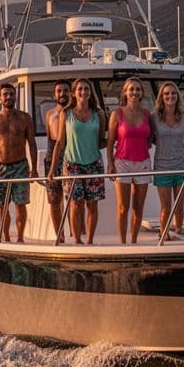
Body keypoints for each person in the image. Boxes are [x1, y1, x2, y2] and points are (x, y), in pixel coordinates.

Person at [47, 78, 106, 244]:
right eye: (80, 89)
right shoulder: (66, 113)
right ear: (74, 92)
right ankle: (78, 240)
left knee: (92, 205)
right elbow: (59, 142)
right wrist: (52, 169)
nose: (83, 92)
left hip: (94, 164)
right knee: (75, 204)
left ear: (90, 92)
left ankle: (90, 241)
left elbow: (102, 140)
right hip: (72, 164)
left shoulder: (99, 114)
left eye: (86, 89)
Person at [0, 83, 38, 243]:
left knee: (21, 205)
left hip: (20, 166)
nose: (9, 97)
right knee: (2, 205)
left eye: (11, 94)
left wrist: (34, 168)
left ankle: (20, 238)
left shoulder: (25, 117)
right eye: (5, 94)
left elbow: (32, 143)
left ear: (15, 97)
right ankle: (6, 237)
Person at [107, 76, 153, 244]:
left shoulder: (147, 115)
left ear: (141, 93)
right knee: (122, 207)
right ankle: (122, 242)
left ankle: (133, 241)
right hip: (122, 162)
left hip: (143, 162)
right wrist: (110, 164)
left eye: (138, 89)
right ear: (125, 92)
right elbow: (110, 142)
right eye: (131, 89)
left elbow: (150, 138)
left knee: (138, 206)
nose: (134, 92)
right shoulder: (116, 114)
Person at [151, 82, 184, 239]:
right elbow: (151, 139)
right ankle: (164, 233)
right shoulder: (154, 117)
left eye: (173, 93)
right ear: (162, 97)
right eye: (166, 93)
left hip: (182, 165)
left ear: (178, 96)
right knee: (166, 207)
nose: (170, 96)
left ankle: (178, 232)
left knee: (179, 206)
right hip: (162, 167)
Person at [42, 81, 72, 243]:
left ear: (71, 93)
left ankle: (75, 235)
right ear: (54, 95)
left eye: (66, 90)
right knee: (54, 200)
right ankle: (59, 236)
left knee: (74, 199)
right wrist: (50, 164)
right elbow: (49, 140)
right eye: (59, 91)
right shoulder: (49, 114)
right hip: (52, 158)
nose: (62, 94)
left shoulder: (75, 113)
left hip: (71, 157)